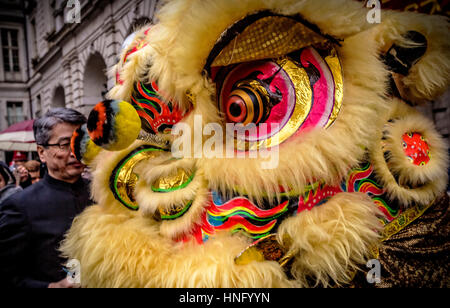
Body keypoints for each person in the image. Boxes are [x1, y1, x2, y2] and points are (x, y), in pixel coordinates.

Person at [0, 108, 92, 288]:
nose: (75, 151)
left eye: (81, 141)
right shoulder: (20, 206)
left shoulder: (102, 193)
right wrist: (51, 286)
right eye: (65, 145)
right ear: (42, 152)